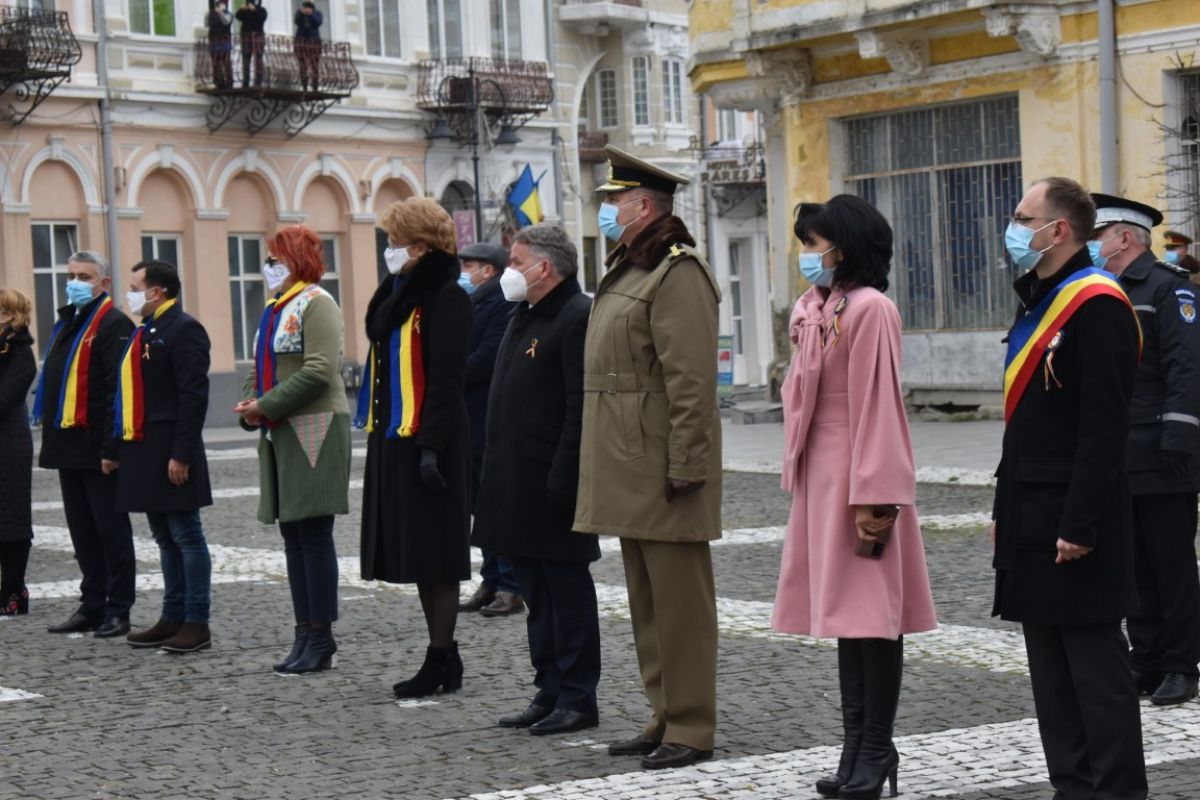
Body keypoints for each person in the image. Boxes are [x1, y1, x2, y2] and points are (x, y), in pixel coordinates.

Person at [773, 196, 937, 799]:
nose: (805, 253)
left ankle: (875, 747)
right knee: (850, 618)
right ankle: (856, 746)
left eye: (813, 243)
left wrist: (876, 494)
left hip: (860, 475)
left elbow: (879, 403)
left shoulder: (871, 308)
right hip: (823, 472)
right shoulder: (820, 306)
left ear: (844, 248)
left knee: (874, 617)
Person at [992, 178, 1147, 799]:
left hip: (1077, 521)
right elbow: (1025, 424)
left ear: (1058, 230)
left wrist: (1079, 523)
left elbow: (1103, 429)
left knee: (1096, 672)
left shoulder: (1097, 303)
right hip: (1031, 511)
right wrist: (1005, 508)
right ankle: (1073, 788)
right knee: (1051, 678)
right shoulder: (1039, 298)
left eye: (1023, 217)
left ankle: (1118, 790)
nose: (1013, 227)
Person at [574, 146, 721, 770]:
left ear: (643, 206)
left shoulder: (677, 271)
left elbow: (691, 382)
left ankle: (692, 724)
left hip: (662, 463)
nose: (607, 209)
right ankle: (663, 713)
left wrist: (688, 463)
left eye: (614, 200)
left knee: (681, 605)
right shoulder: (631, 268)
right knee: (648, 601)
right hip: (627, 461)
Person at [472, 224, 600, 736]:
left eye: (516, 261)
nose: (509, 271)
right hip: (514, 481)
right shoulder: (524, 312)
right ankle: (548, 690)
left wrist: (564, 478)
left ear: (544, 267)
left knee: (566, 593)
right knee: (536, 596)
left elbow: (580, 406)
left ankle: (578, 697)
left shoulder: (577, 316)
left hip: (551, 482)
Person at [358, 197, 472, 698]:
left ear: (421, 247)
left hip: (432, 441)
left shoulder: (447, 297)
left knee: (438, 552)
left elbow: (447, 380)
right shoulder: (398, 294)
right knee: (420, 552)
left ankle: (441, 657)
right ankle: (443, 653)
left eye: (396, 241)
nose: (389, 249)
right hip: (397, 436)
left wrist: (430, 447)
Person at [1089, 195, 1200, 706]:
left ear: (1126, 238)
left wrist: (1180, 435)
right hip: (1119, 452)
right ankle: (1146, 658)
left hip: (1162, 450)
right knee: (1132, 564)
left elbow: (1186, 366)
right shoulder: (1104, 288)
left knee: (1171, 565)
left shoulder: (1169, 288)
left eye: (1099, 235)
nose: (1094, 244)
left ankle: (1181, 664)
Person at [235, 226, 352, 674]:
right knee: (293, 536)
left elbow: (320, 369)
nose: (269, 266)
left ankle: (320, 636)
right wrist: (250, 403)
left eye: (276, 258)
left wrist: (265, 405)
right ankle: (304, 632)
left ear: (297, 259)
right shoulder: (276, 308)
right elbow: (260, 365)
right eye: (268, 259)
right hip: (281, 426)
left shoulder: (317, 303)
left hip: (315, 425)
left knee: (314, 534)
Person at [114, 261, 215, 654]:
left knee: (187, 535)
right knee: (164, 537)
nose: (130, 294)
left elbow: (193, 396)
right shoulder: (146, 329)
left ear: (156, 292)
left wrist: (182, 454)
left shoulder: (184, 328)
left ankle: (196, 621)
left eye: (135, 287)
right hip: (146, 449)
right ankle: (172, 616)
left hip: (172, 449)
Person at [35, 251, 136, 638]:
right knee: (82, 532)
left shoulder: (113, 323)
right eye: (71, 275)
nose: (75, 282)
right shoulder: (69, 321)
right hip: (68, 446)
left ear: (104, 283)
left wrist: (111, 448)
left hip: (97, 448)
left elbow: (116, 390)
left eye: (84, 276)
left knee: (110, 531)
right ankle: (92, 603)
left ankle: (118, 608)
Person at [455, 241, 524, 619]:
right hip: (470, 418)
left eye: (470, 266)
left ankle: (511, 585)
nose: (464, 272)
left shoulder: (501, 303)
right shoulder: (474, 301)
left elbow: (486, 358)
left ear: (489, 270)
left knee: (496, 504)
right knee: (480, 507)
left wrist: (448, 373)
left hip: (489, 417)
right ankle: (491, 579)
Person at [0, 289, 37, 616]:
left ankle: (14, 590)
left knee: (12, 519)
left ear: (9, 315)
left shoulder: (21, 352)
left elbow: (5, 399)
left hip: (9, 444)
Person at [236, 0, 268, 88]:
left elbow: (261, 18)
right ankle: (245, 81)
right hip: (246, 38)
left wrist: (254, 10)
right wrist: (241, 9)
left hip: (258, 38)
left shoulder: (262, 10)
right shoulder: (246, 12)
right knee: (246, 60)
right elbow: (238, 16)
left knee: (258, 59)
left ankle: (258, 81)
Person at [292, 1, 322, 93]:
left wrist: (311, 14)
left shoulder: (317, 13)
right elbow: (296, 21)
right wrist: (302, 13)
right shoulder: (300, 13)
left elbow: (318, 22)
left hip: (314, 43)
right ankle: (304, 86)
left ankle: (315, 87)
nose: (307, 8)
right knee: (303, 66)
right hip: (301, 42)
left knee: (314, 66)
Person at [207, 1, 234, 89]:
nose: (219, 7)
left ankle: (229, 82)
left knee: (226, 62)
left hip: (224, 40)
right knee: (215, 62)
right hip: (214, 40)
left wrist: (221, 12)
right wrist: (210, 13)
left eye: (221, 5)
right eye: (218, 5)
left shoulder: (228, 14)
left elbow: (226, 22)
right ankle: (218, 82)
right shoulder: (211, 14)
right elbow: (206, 24)